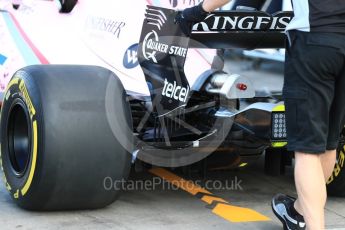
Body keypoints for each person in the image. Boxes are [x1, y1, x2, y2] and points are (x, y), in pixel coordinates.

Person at [176, 0, 345, 229]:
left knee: (307, 149)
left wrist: (196, 11)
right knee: (328, 143)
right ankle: (298, 212)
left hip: (313, 40)